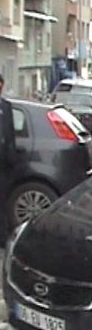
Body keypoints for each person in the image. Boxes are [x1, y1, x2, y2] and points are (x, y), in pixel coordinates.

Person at [0, 73, 17, 236]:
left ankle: (3, 235)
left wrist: (11, 156)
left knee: (2, 200)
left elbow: (10, 133)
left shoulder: (5, 106)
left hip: (3, 163)